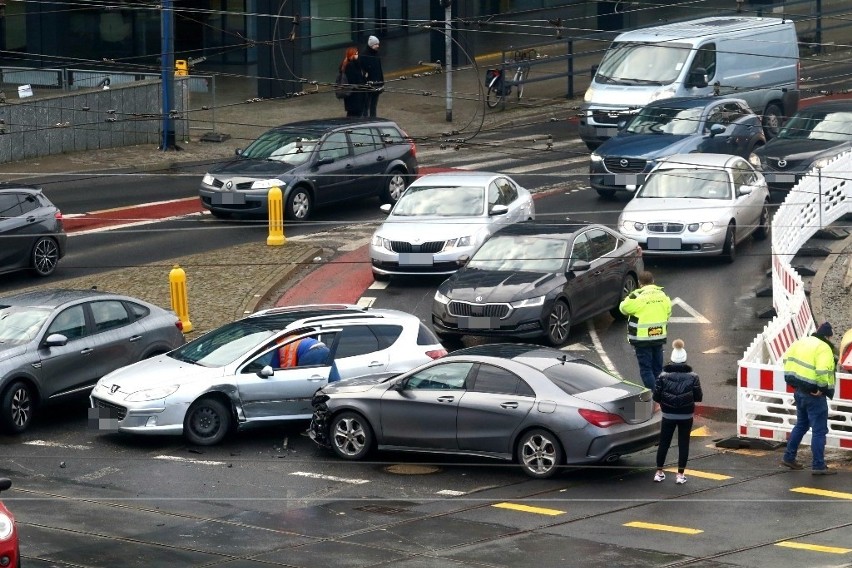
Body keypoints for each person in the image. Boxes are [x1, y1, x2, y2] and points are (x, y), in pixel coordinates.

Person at [781, 322, 837, 475]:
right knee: (819, 431)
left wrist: (796, 383)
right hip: (814, 395)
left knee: (801, 425)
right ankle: (818, 465)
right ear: (827, 336)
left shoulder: (801, 341)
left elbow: (786, 360)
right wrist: (820, 388)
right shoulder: (823, 347)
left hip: (799, 391)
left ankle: (789, 457)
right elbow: (821, 370)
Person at [652, 339, 703, 485]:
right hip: (686, 415)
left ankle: (659, 472)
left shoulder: (662, 376)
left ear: (672, 360)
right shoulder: (693, 376)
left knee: (664, 443)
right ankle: (680, 475)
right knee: (683, 443)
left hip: (668, 415)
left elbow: (656, 396)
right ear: (685, 359)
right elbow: (698, 397)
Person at [619, 270, 673, 390]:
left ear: (640, 283)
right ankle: (661, 392)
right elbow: (668, 312)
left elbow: (623, 309)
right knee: (658, 368)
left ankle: (656, 395)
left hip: (642, 339)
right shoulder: (663, 295)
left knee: (646, 369)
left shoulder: (636, 296)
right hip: (659, 336)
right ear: (653, 281)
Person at [359, 35, 384, 117]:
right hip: (368, 84)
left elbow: (379, 70)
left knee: (373, 105)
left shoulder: (376, 54)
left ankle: (373, 118)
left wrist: (381, 83)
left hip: (376, 83)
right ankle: (365, 119)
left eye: (378, 44)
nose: (378, 46)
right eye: (376, 44)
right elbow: (362, 70)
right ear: (371, 45)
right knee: (366, 104)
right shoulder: (364, 55)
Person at [340, 47, 366, 117]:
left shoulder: (351, 64)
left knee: (353, 114)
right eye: (356, 54)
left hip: (354, 97)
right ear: (352, 55)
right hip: (354, 97)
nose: (358, 55)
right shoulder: (351, 66)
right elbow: (355, 80)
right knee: (353, 115)